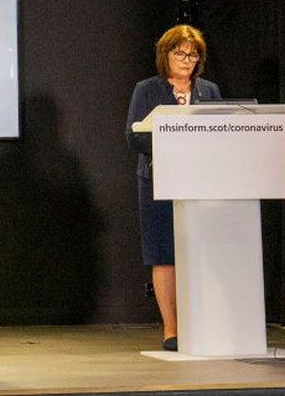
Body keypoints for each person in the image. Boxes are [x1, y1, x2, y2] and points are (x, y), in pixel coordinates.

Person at [125, 24, 221, 352]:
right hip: (157, 180)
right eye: (179, 53)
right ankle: (171, 328)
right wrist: (174, 143)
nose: (185, 59)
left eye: (192, 54)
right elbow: (134, 135)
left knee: (200, 253)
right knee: (164, 255)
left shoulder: (209, 91)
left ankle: (203, 324)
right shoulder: (147, 89)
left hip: (200, 182)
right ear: (165, 54)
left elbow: (220, 132)